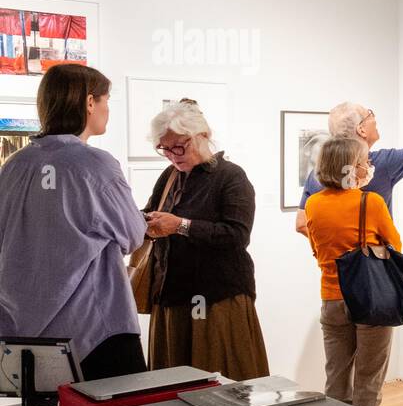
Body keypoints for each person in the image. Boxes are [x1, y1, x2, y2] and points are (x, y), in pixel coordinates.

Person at [0, 64, 147, 380]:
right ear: (90, 102)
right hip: (94, 331)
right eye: (106, 99)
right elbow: (133, 234)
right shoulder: (95, 165)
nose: (108, 109)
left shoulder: (15, 166)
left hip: (26, 334)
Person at [142, 100, 269, 380]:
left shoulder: (231, 177)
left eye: (180, 145)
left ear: (203, 135)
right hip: (171, 298)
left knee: (221, 384)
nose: (173, 155)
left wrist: (181, 226)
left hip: (216, 300)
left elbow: (236, 235)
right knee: (171, 388)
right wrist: (145, 222)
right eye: (164, 148)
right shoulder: (170, 176)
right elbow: (152, 209)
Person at [304, 136, 403, 406]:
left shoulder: (313, 204)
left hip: (332, 298)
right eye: (364, 162)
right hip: (371, 298)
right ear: (350, 168)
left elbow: (316, 249)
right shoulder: (370, 202)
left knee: (336, 378)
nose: (368, 167)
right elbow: (394, 243)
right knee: (368, 381)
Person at [294, 86, 403, 237]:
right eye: (370, 114)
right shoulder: (381, 164)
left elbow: (301, 224)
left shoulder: (317, 174)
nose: (374, 118)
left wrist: (337, 247)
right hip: (375, 260)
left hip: (333, 261)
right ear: (361, 130)